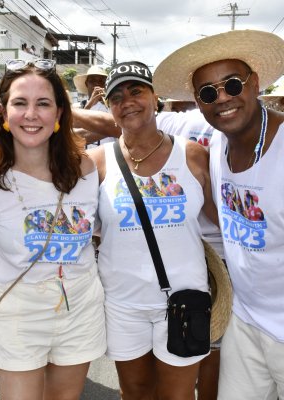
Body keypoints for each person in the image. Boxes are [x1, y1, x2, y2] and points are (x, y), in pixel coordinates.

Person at [0, 58, 106, 399]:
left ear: (58, 114)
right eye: (20, 103)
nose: (31, 114)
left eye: (43, 103)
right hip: (18, 315)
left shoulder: (84, 168)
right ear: (3, 111)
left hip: (81, 310)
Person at [153, 29, 284, 400]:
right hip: (245, 322)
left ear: (255, 83)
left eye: (232, 84)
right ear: (198, 102)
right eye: (208, 93)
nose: (222, 99)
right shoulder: (216, 153)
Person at [90, 61, 218, 399]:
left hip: (184, 300)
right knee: (135, 391)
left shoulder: (193, 156)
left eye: (136, 91)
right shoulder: (97, 163)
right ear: (109, 108)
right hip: (122, 303)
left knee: (176, 395)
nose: (127, 101)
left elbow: (224, 220)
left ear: (155, 96)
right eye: (116, 96)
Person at [73, 65, 116, 147]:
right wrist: (90, 103)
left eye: (101, 81)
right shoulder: (79, 107)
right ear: (86, 84)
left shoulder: (113, 106)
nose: (97, 84)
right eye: (92, 81)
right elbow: (73, 130)